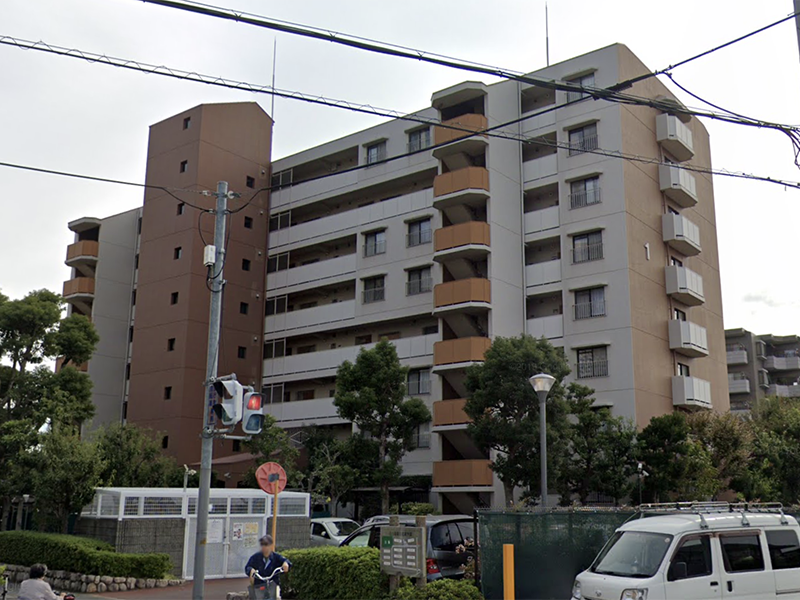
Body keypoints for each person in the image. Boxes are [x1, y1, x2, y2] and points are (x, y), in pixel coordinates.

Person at [244, 535, 290, 600]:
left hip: (273, 584)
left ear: (271, 545)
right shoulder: (256, 557)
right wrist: (251, 570)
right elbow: (248, 567)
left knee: (277, 597)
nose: (263, 547)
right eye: (262, 544)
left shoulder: (276, 557)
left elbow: (286, 561)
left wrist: (285, 564)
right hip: (259, 584)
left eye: (266, 544)